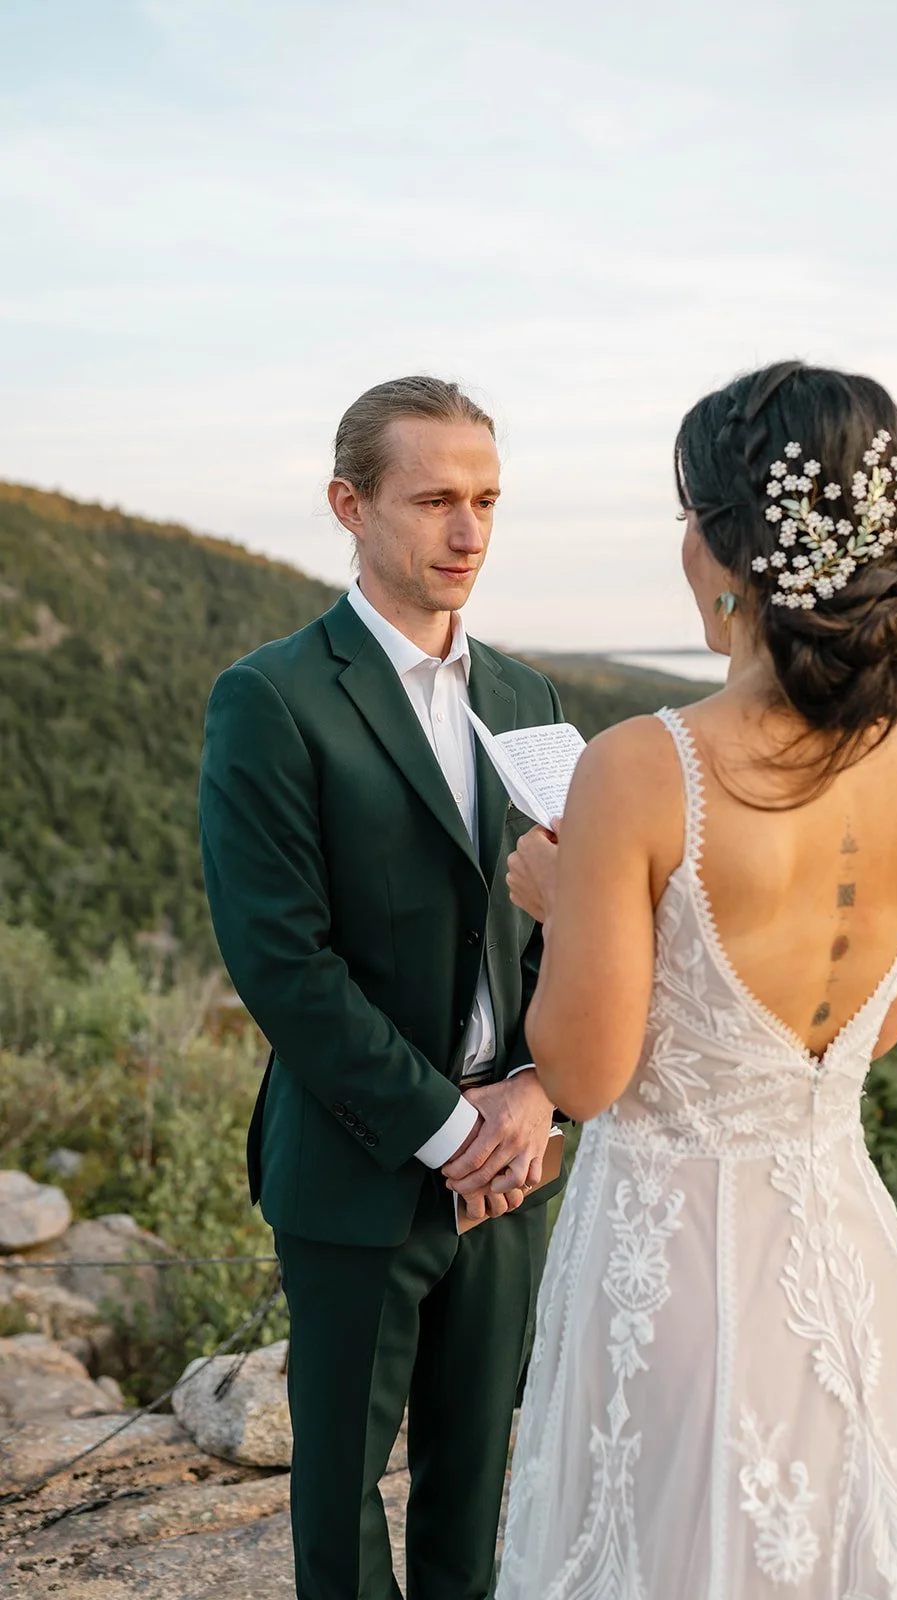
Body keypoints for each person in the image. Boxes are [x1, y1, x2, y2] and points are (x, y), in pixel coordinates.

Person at [497, 362, 897, 1598]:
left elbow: (582, 1071)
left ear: (731, 547)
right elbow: (877, 1028)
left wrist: (559, 898)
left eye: (688, 513)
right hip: (842, 1254)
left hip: (669, 1268)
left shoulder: (640, 765)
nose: (680, 542)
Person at [198, 375, 567, 1600]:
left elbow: (563, 928)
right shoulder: (270, 697)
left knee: (476, 1487)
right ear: (349, 505)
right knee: (341, 1496)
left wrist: (533, 1096)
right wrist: (450, 1127)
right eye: (433, 502)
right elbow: (281, 962)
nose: (467, 534)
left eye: (485, 502)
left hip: (509, 1168)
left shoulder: (526, 698)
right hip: (358, 1167)